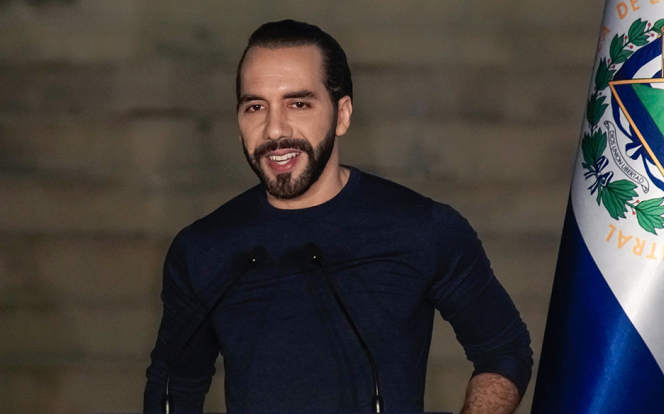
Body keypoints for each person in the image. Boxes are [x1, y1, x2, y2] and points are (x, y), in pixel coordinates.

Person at [144, 20, 532, 414]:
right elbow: (175, 382)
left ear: (342, 114)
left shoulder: (422, 228)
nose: (274, 128)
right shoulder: (203, 248)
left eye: (298, 104)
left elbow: (504, 351)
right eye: (255, 106)